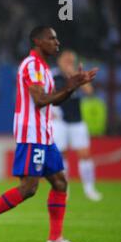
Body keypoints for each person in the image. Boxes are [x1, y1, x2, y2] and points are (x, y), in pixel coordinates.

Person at [0, 26, 98, 242]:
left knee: (60, 182)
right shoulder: (32, 65)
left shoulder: (45, 68)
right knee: (28, 188)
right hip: (31, 134)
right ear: (38, 41)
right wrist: (69, 86)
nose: (57, 42)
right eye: (51, 38)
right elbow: (40, 100)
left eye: (57, 38)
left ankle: (55, 239)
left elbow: (53, 100)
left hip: (44, 135)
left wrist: (72, 87)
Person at [51, 50, 102, 201]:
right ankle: (64, 190)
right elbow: (46, 94)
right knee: (62, 156)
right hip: (59, 121)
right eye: (66, 59)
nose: (68, 62)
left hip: (77, 121)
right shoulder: (53, 75)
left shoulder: (78, 74)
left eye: (71, 60)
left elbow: (89, 91)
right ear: (59, 60)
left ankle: (89, 188)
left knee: (85, 154)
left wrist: (75, 76)